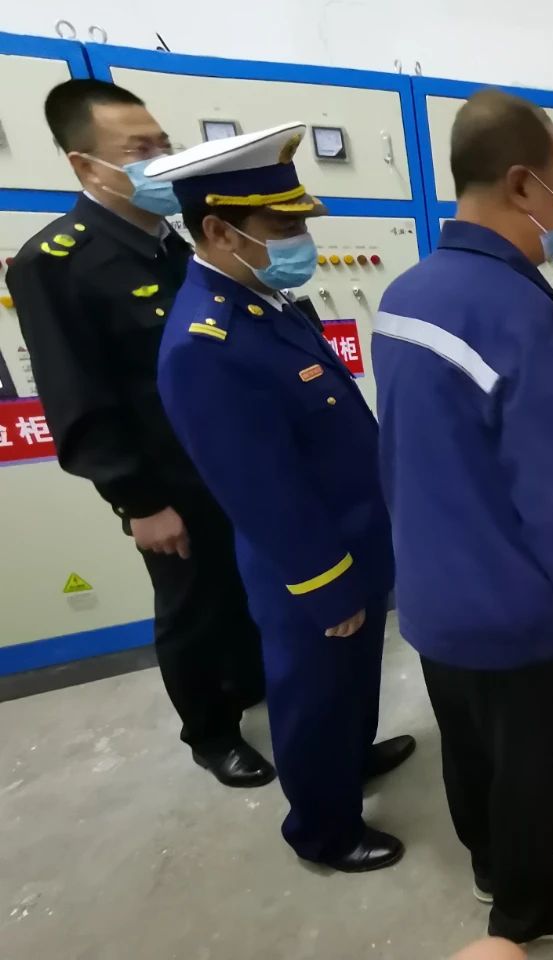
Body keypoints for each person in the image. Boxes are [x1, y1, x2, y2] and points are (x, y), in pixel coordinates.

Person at [373, 90, 553, 942]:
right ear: (524, 185)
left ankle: (490, 861)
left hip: (431, 595)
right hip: (514, 610)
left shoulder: (403, 293)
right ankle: (527, 907)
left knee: (470, 747)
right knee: (538, 768)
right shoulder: (522, 317)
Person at [147, 123, 415, 872]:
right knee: (314, 695)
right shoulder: (205, 343)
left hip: (353, 534)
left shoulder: (265, 301)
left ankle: (351, 760)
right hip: (307, 561)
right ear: (217, 230)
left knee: (353, 677)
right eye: (281, 226)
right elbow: (257, 487)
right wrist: (324, 584)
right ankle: (323, 832)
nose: (301, 240)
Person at [7, 80, 270, 787]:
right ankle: (210, 734)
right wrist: (139, 501)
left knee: (247, 589)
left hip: (229, 462)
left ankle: (252, 687)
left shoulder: (176, 243)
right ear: (85, 165)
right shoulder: (55, 262)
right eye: (138, 151)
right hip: (165, 481)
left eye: (163, 144)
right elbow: (76, 397)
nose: (160, 160)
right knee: (191, 607)